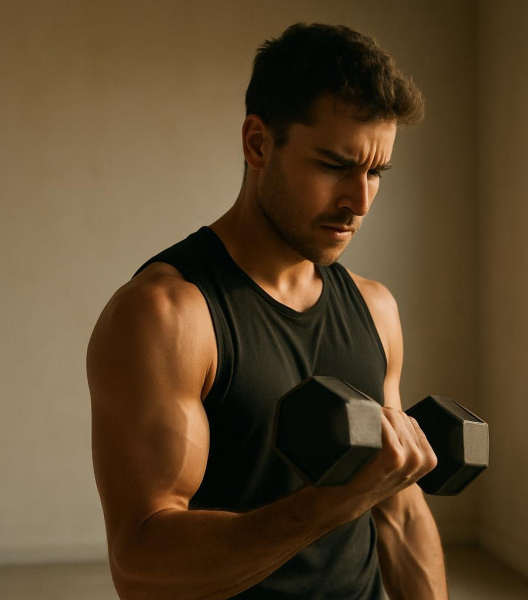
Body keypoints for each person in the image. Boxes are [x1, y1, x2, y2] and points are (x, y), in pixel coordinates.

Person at [87, 23, 448, 599]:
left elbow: (399, 511)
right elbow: (140, 565)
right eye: (333, 165)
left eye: (375, 172)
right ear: (259, 143)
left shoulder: (376, 309)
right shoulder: (168, 316)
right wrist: (330, 505)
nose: (358, 201)